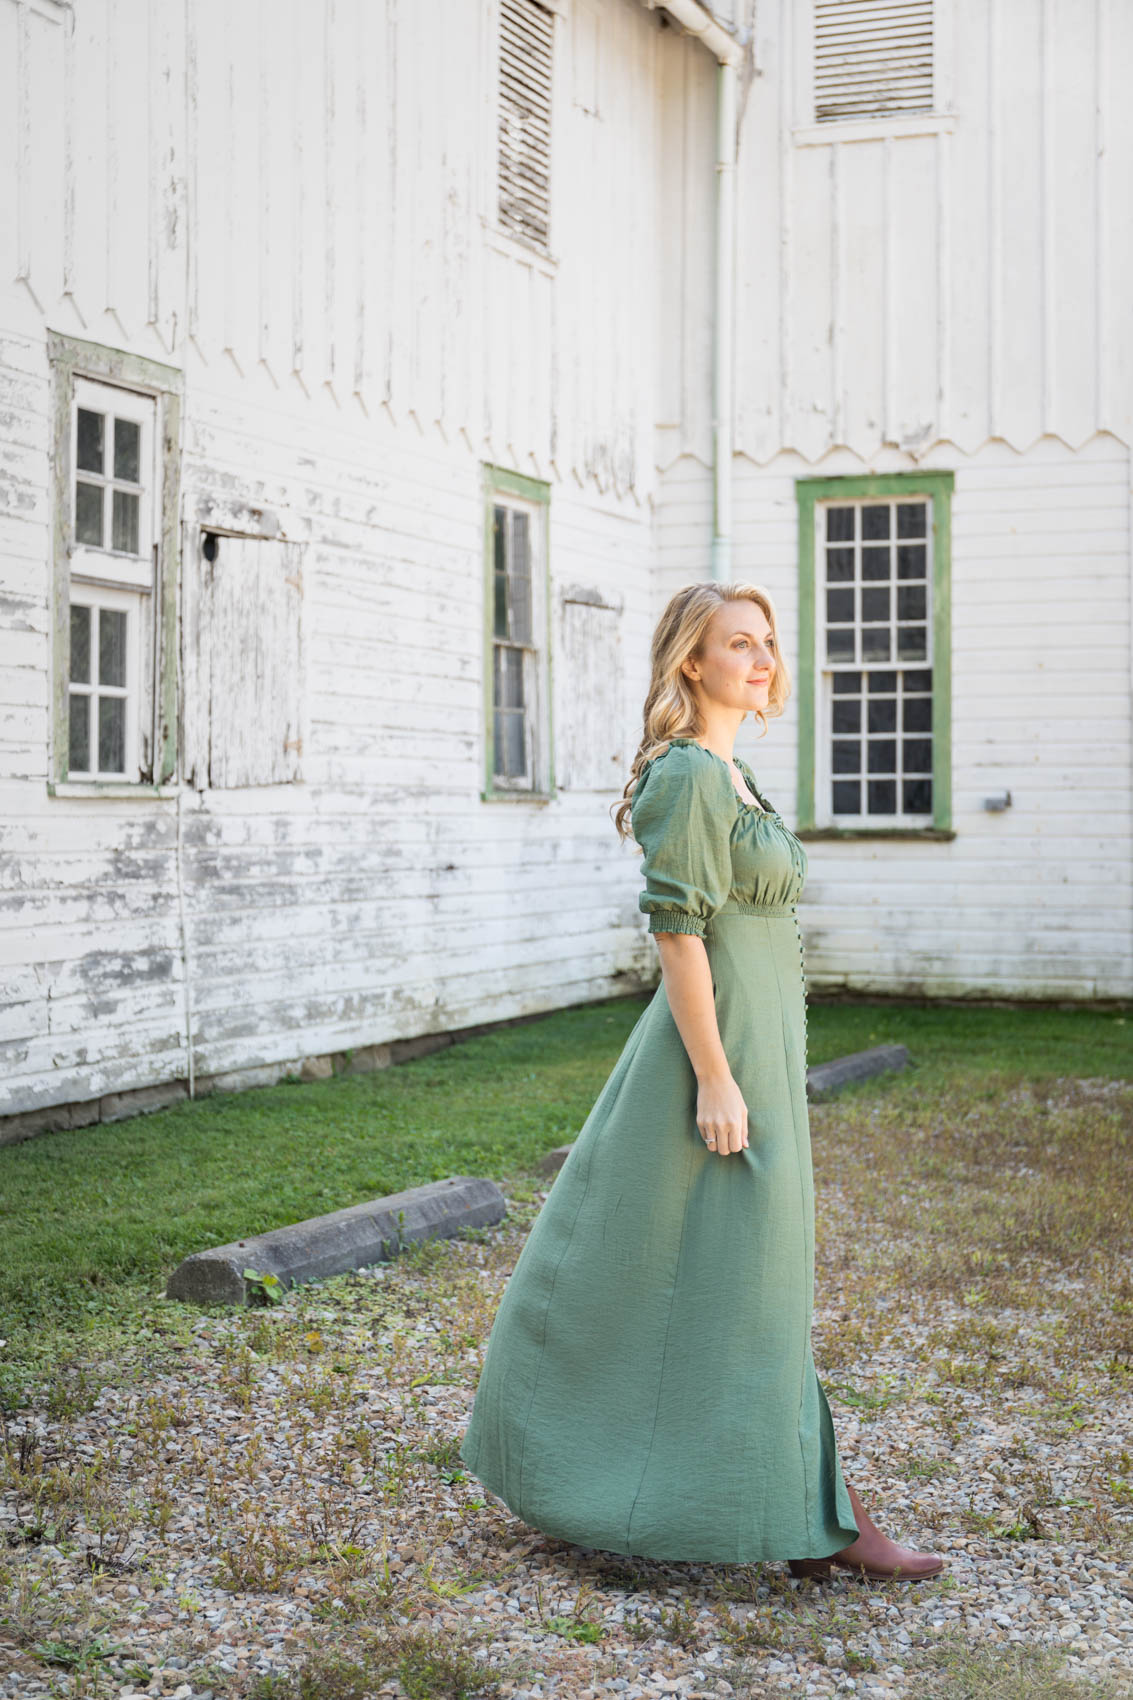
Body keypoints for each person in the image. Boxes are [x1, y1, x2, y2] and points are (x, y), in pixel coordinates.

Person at [460, 581, 945, 1581]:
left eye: (767, 642)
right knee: (711, 1278)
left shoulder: (735, 771)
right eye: (739, 643)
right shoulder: (686, 774)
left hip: (758, 1046)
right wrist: (715, 1079)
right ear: (693, 661)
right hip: (711, 1057)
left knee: (753, 1282)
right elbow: (678, 936)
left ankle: (806, 1509)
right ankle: (813, 1518)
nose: (762, 659)